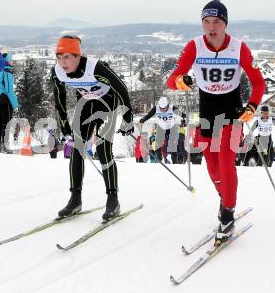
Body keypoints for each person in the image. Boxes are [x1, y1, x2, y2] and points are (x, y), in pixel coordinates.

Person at [167, 0, 265, 245]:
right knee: (212, 167)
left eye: (217, 22)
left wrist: (252, 105)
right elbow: (173, 78)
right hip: (208, 112)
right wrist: (181, 81)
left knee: (226, 161)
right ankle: (226, 198)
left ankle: (227, 213)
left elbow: (259, 82)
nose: (211, 28)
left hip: (231, 111)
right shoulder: (195, 46)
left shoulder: (239, 48)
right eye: (206, 22)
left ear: (225, 24)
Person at [51, 36, 134, 220]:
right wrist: (64, 124)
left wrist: (128, 118)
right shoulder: (57, 71)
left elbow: (121, 89)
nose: (62, 62)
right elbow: (59, 99)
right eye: (59, 57)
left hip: (107, 103)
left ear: (78, 56)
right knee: (76, 149)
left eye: (67, 57)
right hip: (86, 104)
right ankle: (75, 199)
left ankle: (113, 200)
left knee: (104, 149)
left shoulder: (94, 67)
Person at [139, 96, 186, 164]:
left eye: (165, 108)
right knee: (157, 144)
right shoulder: (156, 108)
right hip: (161, 128)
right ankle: (159, 159)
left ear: (167, 105)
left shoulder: (172, 108)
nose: (163, 110)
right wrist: (144, 119)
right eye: (161, 108)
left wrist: (184, 118)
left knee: (173, 146)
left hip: (171, 128)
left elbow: (182, 114)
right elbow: (149, 115)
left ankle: (174, 161)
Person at [0, 53, 18, 153]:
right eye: (11, 60)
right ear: (7, 61)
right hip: (5, 100)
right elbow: (8, 90)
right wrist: (15, 104)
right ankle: (5, 146)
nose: (12, 62)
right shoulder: (7, 71)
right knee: (6, 123)